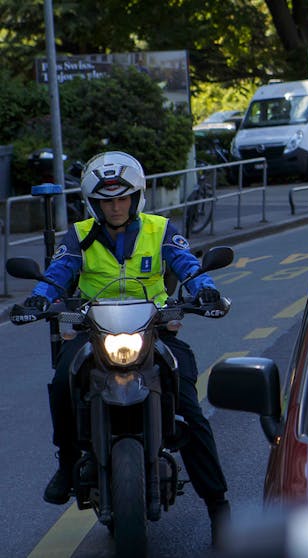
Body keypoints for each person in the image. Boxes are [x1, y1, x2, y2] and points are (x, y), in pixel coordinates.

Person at [19, 151, 231, 543]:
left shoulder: (161, 229)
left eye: (122, 198)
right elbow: (58, 272)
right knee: (62, 381)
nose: (115, 207)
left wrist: (207, 290)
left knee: (188, 403)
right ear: (93, 203)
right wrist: (37, 299)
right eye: (106, 200)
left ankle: (219, 506)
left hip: (154, 329)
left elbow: (187, 264)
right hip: (91, 328)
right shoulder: (79, 235)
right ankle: (67, 464)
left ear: (137, 197)